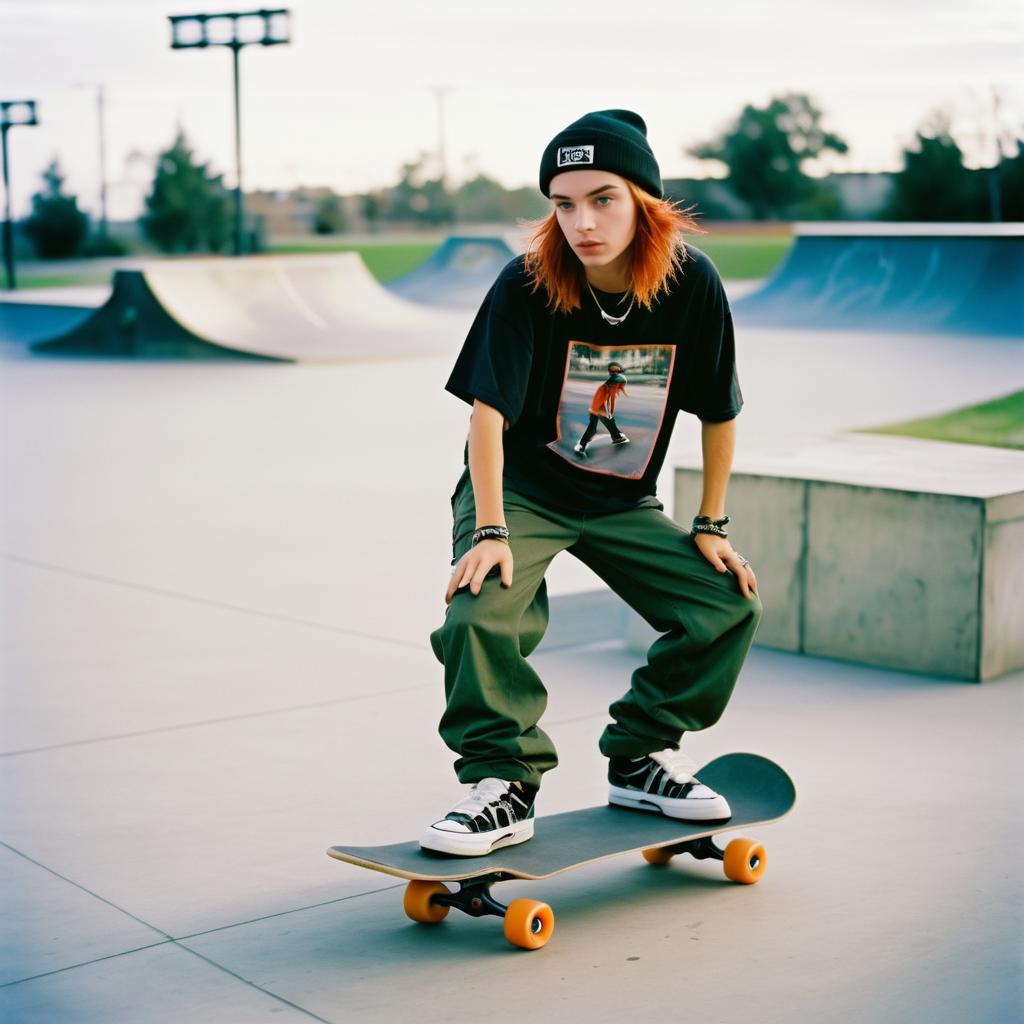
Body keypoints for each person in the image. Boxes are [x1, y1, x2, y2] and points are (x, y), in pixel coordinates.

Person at [421, 109, 762, 857]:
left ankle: (640, 757)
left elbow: (718, 411)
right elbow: (485, 417)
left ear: (644, 198)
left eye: (602, 197)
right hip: (520, 492)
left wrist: (711, 525)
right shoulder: (528, 283)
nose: (582, 221)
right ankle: (501, 785)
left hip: (621, 501)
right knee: (479, 616)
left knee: (724, 605)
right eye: (563, 202)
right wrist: (488, 530)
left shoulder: (692, 283)